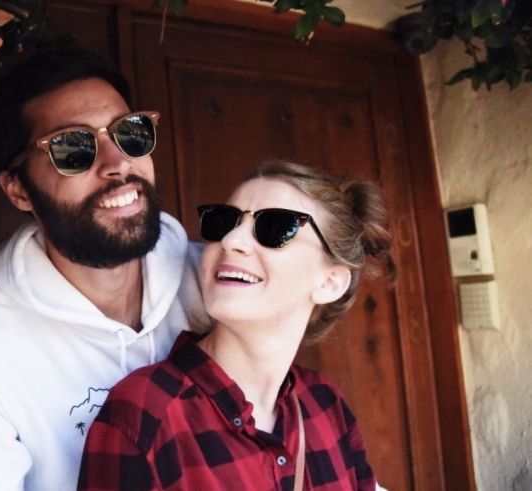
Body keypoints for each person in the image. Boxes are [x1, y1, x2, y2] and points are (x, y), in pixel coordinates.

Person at [0, 49, 207, 490]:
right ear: (18, 190)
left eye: (129, 133)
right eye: (72, 147)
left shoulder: (214, 283)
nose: (117, 164)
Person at [78, 161, 395, 490]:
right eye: (224, 223)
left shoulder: (324, 405)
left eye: (275, 228)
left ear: (330, 282)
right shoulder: (145, 412)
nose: (231, 241)